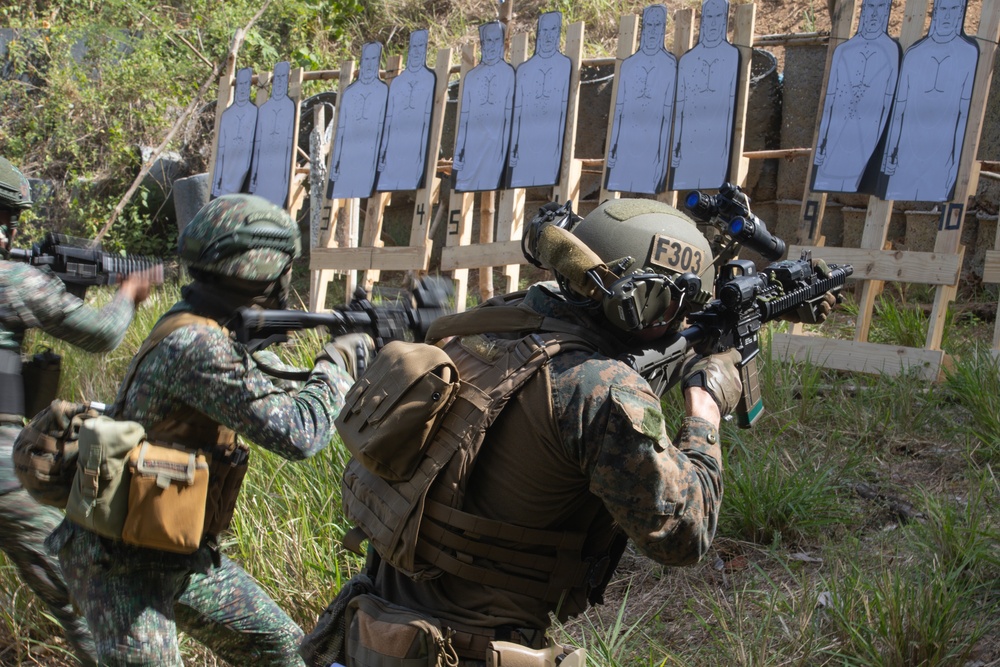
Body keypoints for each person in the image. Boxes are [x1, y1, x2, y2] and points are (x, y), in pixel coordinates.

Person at [330, 198, 747, 665]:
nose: (684, 322)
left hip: (369, 633)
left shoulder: (485, 327)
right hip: (463, 652)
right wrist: (704, 413)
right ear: (654, 305)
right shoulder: (599, 388)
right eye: (682, 308)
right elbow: (684, 536)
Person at [47, 193, 374, 666]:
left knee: (279, 646)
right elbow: (300, 435)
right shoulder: (197, 344)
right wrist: (338, 364)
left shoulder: (206, 326)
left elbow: (271, 381)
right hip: (117, 561)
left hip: (172, 547)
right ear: (266, 271)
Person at [0, 155, 154, 665]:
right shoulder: (14, 282)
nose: (10, 235)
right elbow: (102, 334)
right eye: (7, 222)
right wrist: (127, 296)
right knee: (78, 596)